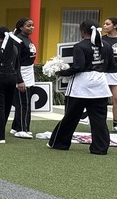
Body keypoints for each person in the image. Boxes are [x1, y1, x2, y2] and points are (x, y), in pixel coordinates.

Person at [48, 20, 112, 155]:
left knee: (71, 116)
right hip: (100, 84)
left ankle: (60, 143)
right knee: (99, 118)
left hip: (81, 85)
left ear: (82, 31)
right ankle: (100, 148)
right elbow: (110, 65)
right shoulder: (105, 45)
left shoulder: (80, 46)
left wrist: (61, 72)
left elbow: (78, 67)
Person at [9, 18, 37, 138]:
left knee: (25, 101)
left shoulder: (27, 38)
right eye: (28, 25)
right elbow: (16, 62)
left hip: (29, 72)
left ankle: (16, 127)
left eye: (32, 25)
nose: (31, 28)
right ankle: (22, 128)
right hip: (22, 73)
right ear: (21, 27)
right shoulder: (18, 40)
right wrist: (19, 80)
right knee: (23, 102)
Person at [103, 16, 117, 132]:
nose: (104, 26)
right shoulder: (102, 40)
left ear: (115, 26)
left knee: (116, 99)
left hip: (116, 73)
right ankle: (100, 123)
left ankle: (116, 123)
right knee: (100, 100)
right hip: (103, 73)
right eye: (104, 24)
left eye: (107, 24)